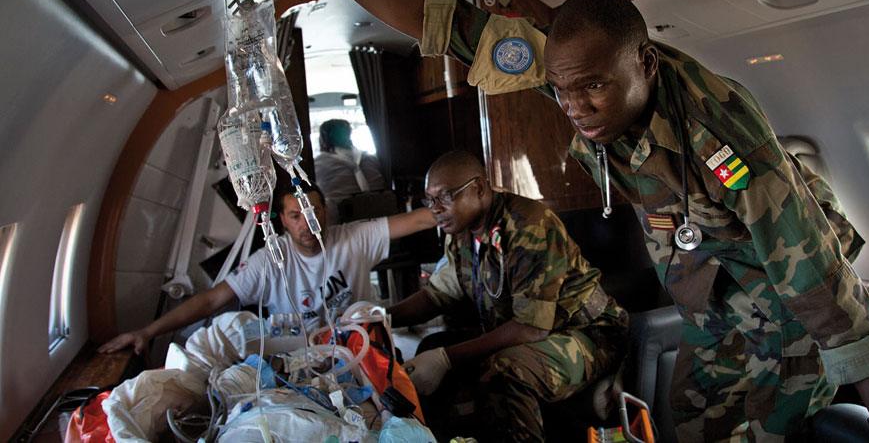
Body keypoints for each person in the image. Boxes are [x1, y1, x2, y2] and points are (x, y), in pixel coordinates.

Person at [237, 0, 869, 441]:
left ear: (644, 63)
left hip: (784, 316)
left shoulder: (715, 130)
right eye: (561, 89)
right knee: (686, 427)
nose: (575, 107)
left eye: (593, 89)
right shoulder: (569, 60)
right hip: (710, 311)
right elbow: (447, 24)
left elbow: (802, 251)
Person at [388, 151, 627, 442]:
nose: (435, 208)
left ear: (478, 188)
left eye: (445, 196)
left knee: (504, 370)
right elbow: (438, 295)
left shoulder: (528, 225)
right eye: (430, 199)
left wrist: (446, 359)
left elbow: (530, 327)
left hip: (590, 335)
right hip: (535, 332)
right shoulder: (461, 231)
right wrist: (381, 317)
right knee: (433, 343)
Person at [99, 182, 435, 354]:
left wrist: (464, 207)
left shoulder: (353, 238)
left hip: (362, 349)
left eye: (315, 211)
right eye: (296, 216)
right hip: (302, 359)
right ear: (284, 222)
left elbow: (416, 220)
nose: (308, 223)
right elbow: (211, 301)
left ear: (326, 213)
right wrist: (146, 332)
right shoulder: (269, 262)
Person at [314, 118, 386, 222]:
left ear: (324, 138)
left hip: (342, 222)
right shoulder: (371, 158)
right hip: (382, 215)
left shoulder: (318, 164)